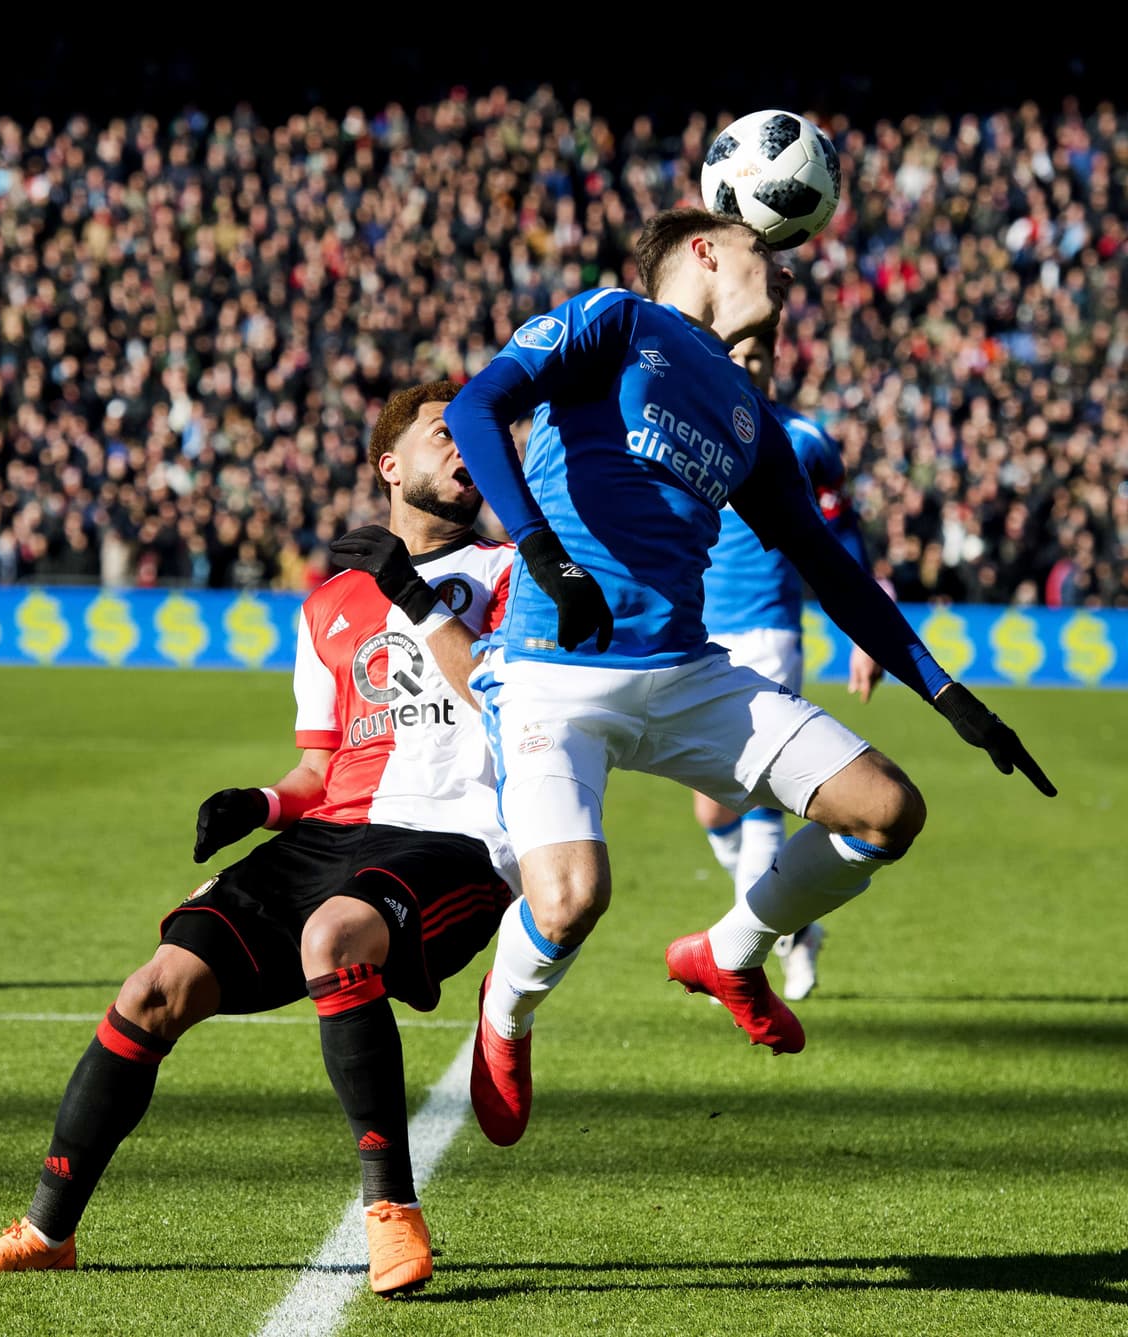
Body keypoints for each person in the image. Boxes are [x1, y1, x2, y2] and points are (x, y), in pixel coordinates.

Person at [442, 207, 1056, 1149]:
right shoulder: (617, 318)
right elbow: (473, 407)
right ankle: (507, 1018)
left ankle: (730, 953)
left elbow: (832, 564)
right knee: (569, 900)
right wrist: (543, 552)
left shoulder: (747, 411)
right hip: (553, 671)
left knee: (889, 809)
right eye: (761, 248)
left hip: (687, 671)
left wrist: (945, 691)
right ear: (703, 250)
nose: (780, 268)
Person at [0, 381, 517, 1297]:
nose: (466, 451)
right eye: (446, 435)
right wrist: (259, 802)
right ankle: (47, 1228)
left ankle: (390, 1210)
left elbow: (507, 702)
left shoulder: (513, 571)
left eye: (474, 437)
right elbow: (319, 768)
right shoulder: (328, 605)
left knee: (335, 937)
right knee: (153, 988)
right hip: (334, 837)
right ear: (390, 466)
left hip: (455, 838)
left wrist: (410, 593)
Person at [693, 330, 883, 1002]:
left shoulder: (802, 439)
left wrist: (867, 632)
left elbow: (844, 531)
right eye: (733, 359)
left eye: (757, 359)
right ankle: (794, 927)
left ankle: (737, 953)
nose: (745, 369)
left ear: (774, 364)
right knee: (712, 812)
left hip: (771, 629)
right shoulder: (688, 430)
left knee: (760, 797)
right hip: (701, 633)